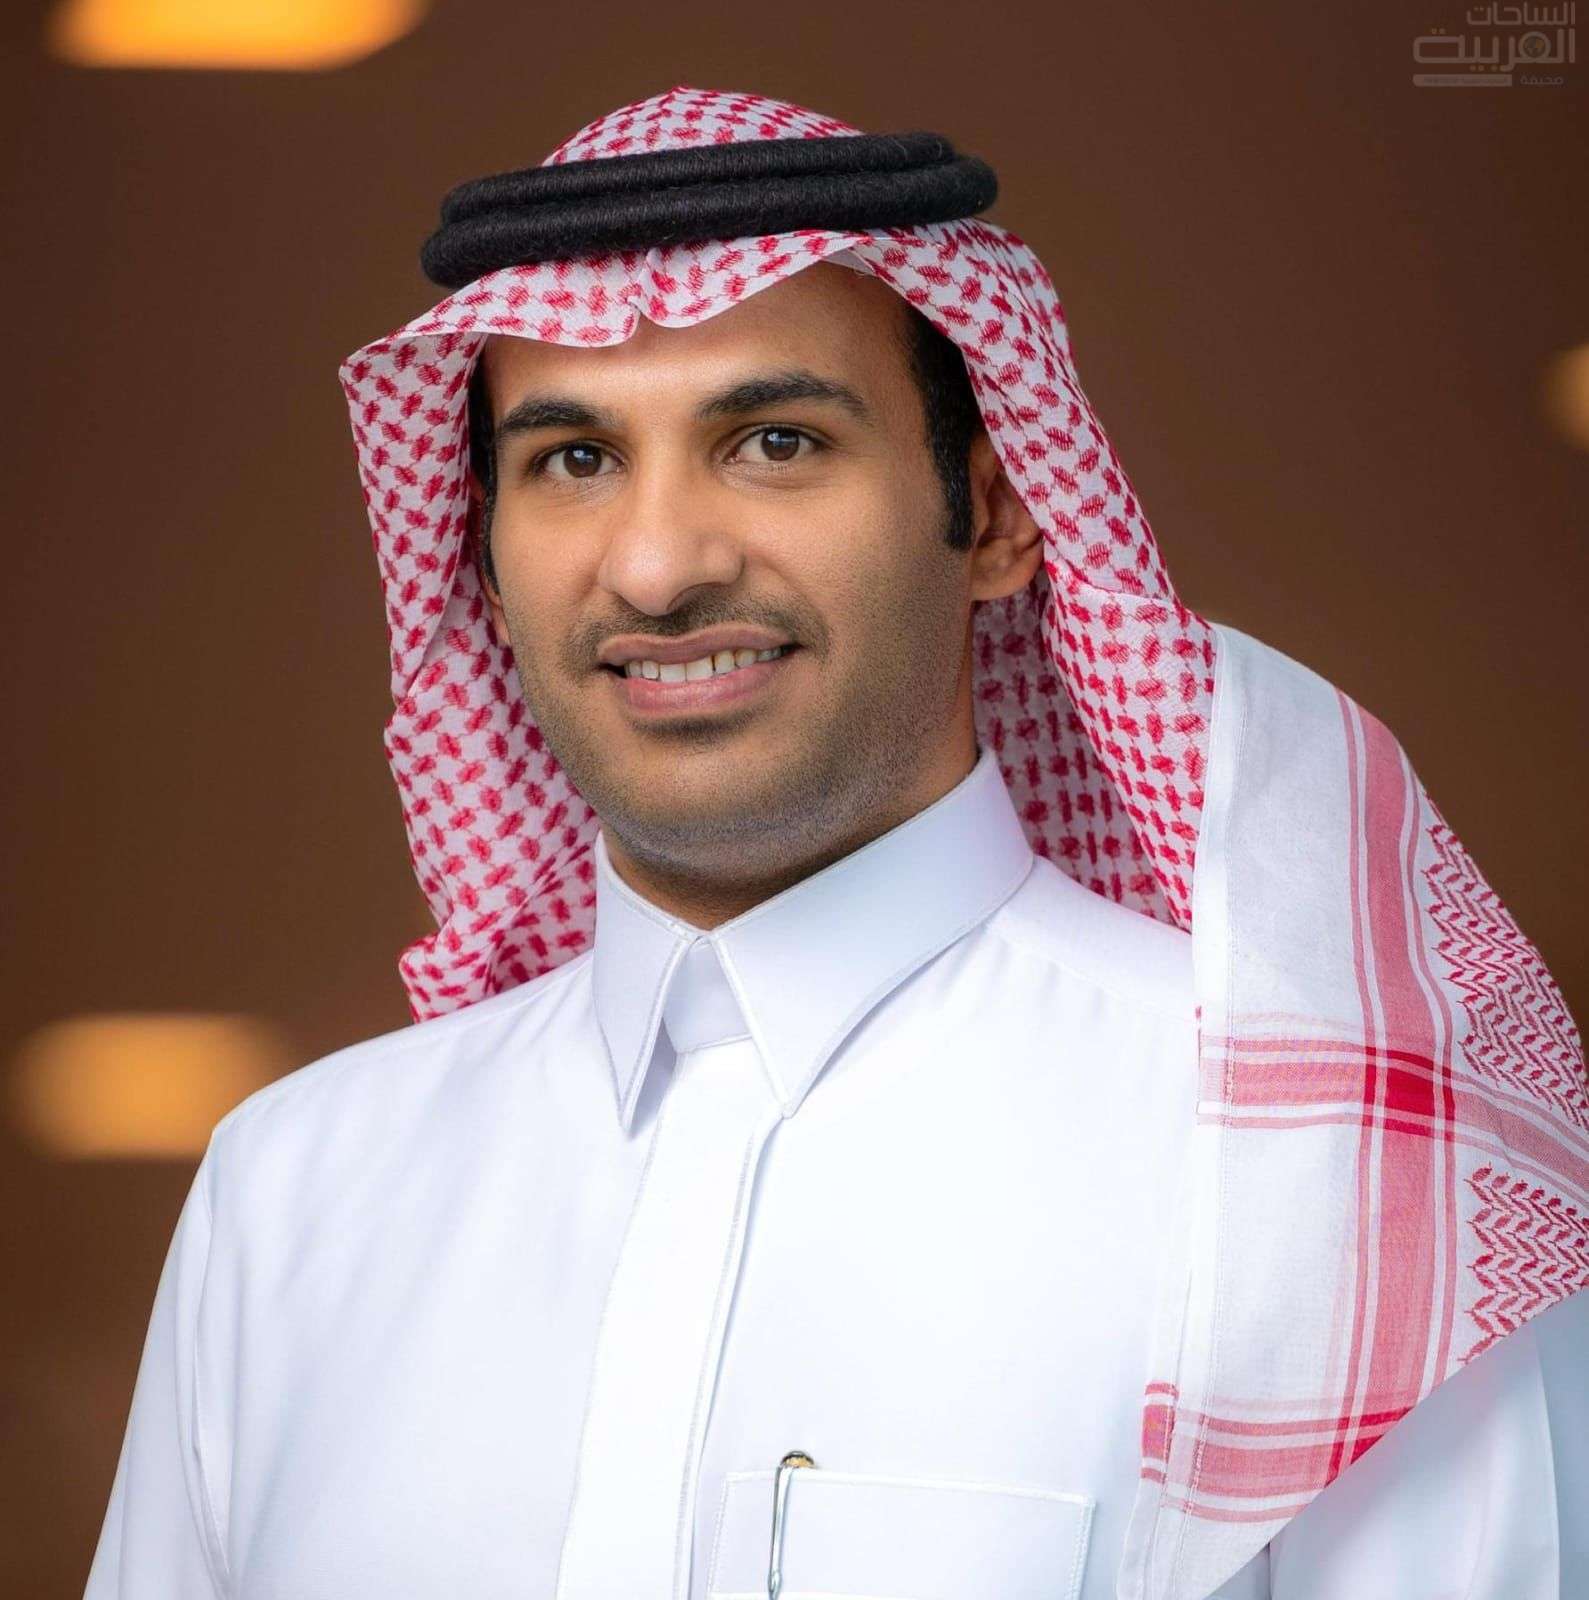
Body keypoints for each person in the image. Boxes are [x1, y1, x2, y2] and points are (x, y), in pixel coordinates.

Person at [87, 86, 1589, 1600]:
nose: (657, 567)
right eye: (573, 460)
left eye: (775, 441)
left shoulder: (1321, 1175)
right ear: (481, 555)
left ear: (995, 514)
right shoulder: (292, 1192)